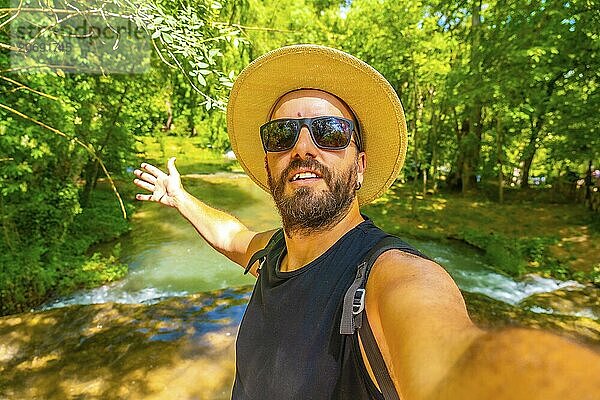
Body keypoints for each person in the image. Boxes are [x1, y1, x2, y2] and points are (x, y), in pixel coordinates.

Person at [133, 45, 600, 400]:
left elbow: (456, 358)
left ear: (359, 164)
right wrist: (181, 198)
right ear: (270, 159)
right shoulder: (273, 253)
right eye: (282, 134)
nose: (303, 148)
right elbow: (230, 235)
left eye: (329, 133)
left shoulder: (389, 275)